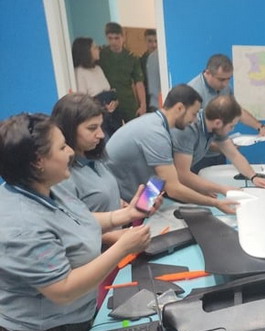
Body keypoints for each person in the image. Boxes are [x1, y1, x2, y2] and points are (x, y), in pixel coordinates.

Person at [0, 113, 151, 331]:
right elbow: (63, 289)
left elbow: (77, 220)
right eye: (62, 147)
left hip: (74, 318)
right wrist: (122, 247)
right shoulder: (22, 225)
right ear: (38, 161)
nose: (70, 151)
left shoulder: (47, 187)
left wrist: (124, 215)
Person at [105, 84, 236, 214]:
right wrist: (216, 203)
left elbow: (158, 176)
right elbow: (173, 189)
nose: (195, 120)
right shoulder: (156, 133)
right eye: (194, 114)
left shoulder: (156, 124)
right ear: (179, 108)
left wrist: (146, 206)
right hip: (114, 201)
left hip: (130, 195)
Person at [51, 93, 140, 245]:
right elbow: (71, 227)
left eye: (100, 126)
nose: (101, 134)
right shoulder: (60, 176)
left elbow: (96, 198)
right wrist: (114, 237)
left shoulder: (93, 158)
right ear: (68, 129)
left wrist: (122, 206)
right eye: (92, 128)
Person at [173, 95, 265, 194]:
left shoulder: (215, 128)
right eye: (231, 126)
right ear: (218, 123)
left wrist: (253, 177)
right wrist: (220, 189)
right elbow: (182, 174)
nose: (232, 130)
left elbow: (234, 155)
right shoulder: (188, 129)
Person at [187, 54, 265, 170]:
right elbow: (191, 135)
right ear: (208, 73)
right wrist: (223, 147)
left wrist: (259, 127)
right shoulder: (193, 92)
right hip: (199, 156)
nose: (225, 84)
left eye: (228, 79)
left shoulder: (225, 88)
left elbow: (236, 111)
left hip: (219, 151)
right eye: (221, 79)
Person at [71, 36, 120, 137]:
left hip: (112, 118)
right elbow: (82, 102)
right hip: (98, 121)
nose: (98, 49)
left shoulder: (98, 69)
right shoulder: (79, 72)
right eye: (95, 47)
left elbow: (110, 91)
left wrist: (114, 103)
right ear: (86, 51)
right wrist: (102, 107)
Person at [99, 22, 146, 122]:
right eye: (110, 38)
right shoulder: (102, 55)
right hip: (110, 101)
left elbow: (139, 82)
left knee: (133, 127)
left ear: (123, 37)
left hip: (127, 101)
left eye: (117, 38)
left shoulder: (131, 57)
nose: (113, 42)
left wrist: (143, 104)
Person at [140, 29, 157, 111]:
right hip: (148, 101)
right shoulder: (141, 61)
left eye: (156, 41)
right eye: (150, 41)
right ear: (145, 41)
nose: (154, 45)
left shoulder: (164, 59)